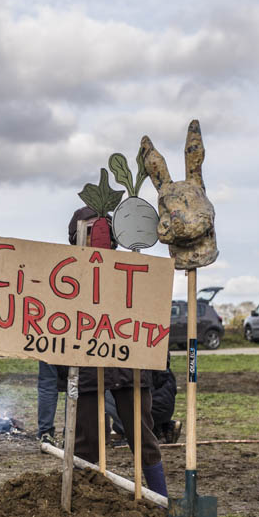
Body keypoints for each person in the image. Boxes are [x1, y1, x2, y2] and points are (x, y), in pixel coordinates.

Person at [62, 207, 169, 499]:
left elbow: (152, 319)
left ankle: (161, 501)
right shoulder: (66, 275)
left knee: (142, 437)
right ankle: (85, 504)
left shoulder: (133, 273)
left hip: (130, 364)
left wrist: (158, 364)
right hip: (83, 367)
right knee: (86, 441)